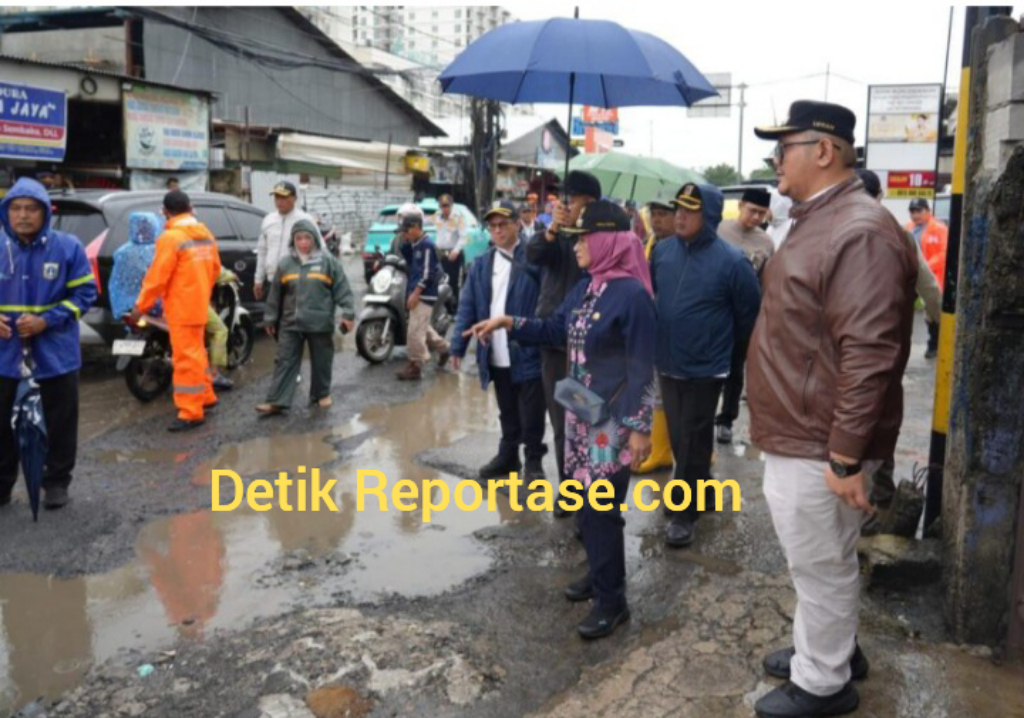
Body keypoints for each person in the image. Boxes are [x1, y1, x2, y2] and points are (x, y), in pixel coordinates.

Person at [747, 101, 916, 718]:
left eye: (783, 148)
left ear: (823, 151)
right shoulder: (819, 218)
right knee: (822, 559)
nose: (775, 160)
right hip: (803, 431)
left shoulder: (858, 230)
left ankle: (823, 682)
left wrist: (845, 455)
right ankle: (831, 649)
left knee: (821, 564)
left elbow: (869, 352)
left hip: (820, 441)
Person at [466, 199, 656, 640]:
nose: (576, 247)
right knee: (583, 507)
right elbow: (555, 329)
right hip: (581, 413)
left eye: (583, 239)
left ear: (608, 240)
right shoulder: (589, 286)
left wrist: (640, 428)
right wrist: (508, 322)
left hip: (610, 426)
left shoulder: (633, 296)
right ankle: (599, 573)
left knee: (601, 509)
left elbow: (643, 366)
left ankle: (613, 602)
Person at [651, 183, 761, 549]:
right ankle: (705, 490)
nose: (680, 216)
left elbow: (748, 317)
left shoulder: (733, 262)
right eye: (678, 209)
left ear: (710, 216)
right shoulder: (662, 252)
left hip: (705, 367)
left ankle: (685, 514)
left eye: (690, 211)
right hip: (668, 361)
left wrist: (724, 353)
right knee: (681, 437)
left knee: (693, 437)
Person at [0, 177, 97, 509]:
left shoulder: (68, 247)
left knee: (59, 422)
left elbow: (85, 294)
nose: (23, 215)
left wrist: (47, 320)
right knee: (2, 425)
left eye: (31, 209)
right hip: (5, 356)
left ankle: (56, 482)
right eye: (15, 208)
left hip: (55, 354)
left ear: (45, 212)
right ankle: (2, 484)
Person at [857, 169, 941, 510]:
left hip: (841, 352)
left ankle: (859, 498)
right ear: (879, 198)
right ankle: (879, 495)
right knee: (882, 418)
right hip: (887, 350)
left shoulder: (829, 231)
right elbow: (931, 290)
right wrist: (939, 323)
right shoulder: (901, 236)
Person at [450, 201, 546, 483]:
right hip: (495, 350)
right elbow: (467, 305)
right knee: (507, 409)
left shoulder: (534, 257)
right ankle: (508, 455)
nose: (498, 230)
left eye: (503, 224)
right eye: (492, 226)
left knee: (532, 411)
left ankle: (534, 461)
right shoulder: (481, 264)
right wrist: (457, 345)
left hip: (527, 348)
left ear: (517, 224)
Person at [526, 170, 600, 518]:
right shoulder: (557, 235)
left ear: (590, 202)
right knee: (561, 424)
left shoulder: (601, 237)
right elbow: (533, 254)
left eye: (573, 199)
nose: (566, 205)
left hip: (588, 346)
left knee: (589, 420)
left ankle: (593, 489)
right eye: (563, 200)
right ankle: (569, 488)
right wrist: (553, 229)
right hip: (554, 345)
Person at [131, 190, 222, 432]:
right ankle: (206, 396)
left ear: (165, 212)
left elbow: (157, 277)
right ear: (190, 208)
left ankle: (190, 412)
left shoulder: (171, 238)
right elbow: (215, 269)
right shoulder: (205, 234)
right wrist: (201, 291)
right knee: (196, 353)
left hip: (181, 306)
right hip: (199, 304)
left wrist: (141, 307)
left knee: (185, 359)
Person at [256, 219, 354, 415]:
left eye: (307, 238)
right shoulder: (285, 264)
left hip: (320, 322)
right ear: (293, 240)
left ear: (315, 239)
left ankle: (321, 394)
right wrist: (270, 318)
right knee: (284, 360)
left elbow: (342, 289)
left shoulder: (328, 263)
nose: (303, 243)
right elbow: (275, 295)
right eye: (299, 238)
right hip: (290, 322)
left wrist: (348, 314)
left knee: (322, 360)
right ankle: (277, 400)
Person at [714, 187, 775, 445]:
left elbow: (766, 281)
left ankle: (726, 420)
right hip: (714, 311)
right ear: (740, 206)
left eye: (761, 213)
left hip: (744, 315)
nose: (756, 217)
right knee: (710, 367)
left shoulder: (766, 242)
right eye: (752, 211)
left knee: (735, 368)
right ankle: (703, 416)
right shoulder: (719, 230)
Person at [634, 198, 677, 475]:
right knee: (657, 392)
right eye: (654, 214)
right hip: (653, 329)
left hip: (675, 333)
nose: (656, 219)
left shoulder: (676, 248)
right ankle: (660, 450)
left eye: (663, 214)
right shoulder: (649, 243)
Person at [395, 215, 451, 380]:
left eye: (406, 231)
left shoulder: (427, 245)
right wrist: (405, 242)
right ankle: (445, 349)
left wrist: (415, 294)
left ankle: (416, 365)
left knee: (414, 332)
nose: (405, 234)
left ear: (415, 227)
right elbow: (411, 262)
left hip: (424, 294)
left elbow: (428, 274)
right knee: (422, 328)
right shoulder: (416, 244)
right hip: (417, 291)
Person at [254, 181, 318, 301]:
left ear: (294, 198)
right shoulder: (268, 220)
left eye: (284, 198)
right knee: (271, 312)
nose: (279, 202)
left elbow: (319, 250)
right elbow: (262, 251)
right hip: (272, 281)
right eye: (277, 198)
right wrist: (258, 279)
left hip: (297, 282)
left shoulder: (305, 220)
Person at [905, 198, 947, 359]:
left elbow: (944, 253)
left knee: (933, 311)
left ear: (928, 211)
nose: (915, 215)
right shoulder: (907, 228)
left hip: (932, 276)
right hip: (911, 276)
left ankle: (934, 344)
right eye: (912, 211)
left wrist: (925, 268)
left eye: (919, 211)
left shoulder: (939, 229)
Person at [432, 194, 467, 303]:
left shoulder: (458, 218)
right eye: (442, 206)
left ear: (451, 205)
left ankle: (453, 307)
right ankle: (441, 305)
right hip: (441, 255)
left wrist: (456, 251)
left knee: (452, 283)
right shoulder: (437, 216)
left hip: (453, 255)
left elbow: (463, 237)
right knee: (440, 281)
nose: (444, 208)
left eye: (446, 205)